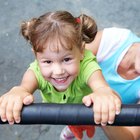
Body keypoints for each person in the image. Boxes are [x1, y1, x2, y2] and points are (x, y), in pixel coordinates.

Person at [0, 11, 121, 140]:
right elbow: (23, 88)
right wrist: (17, 93)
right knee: (74, 124)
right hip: (66, 111)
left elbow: (100, 86)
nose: (58, 71)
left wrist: (103, 93)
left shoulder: (87, 66)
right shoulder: (35, 71)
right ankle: (72, 128)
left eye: (67, 59)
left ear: (81, 51)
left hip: (87, 109)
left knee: (96, 118)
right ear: (36, 56)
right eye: (47, 61)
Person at [86, 27, 140, 140]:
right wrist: (37, 84)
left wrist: (104, 112)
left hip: (105, 115)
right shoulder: (115, 39)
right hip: (73, 95)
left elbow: (131, 136)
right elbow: (62, 56)